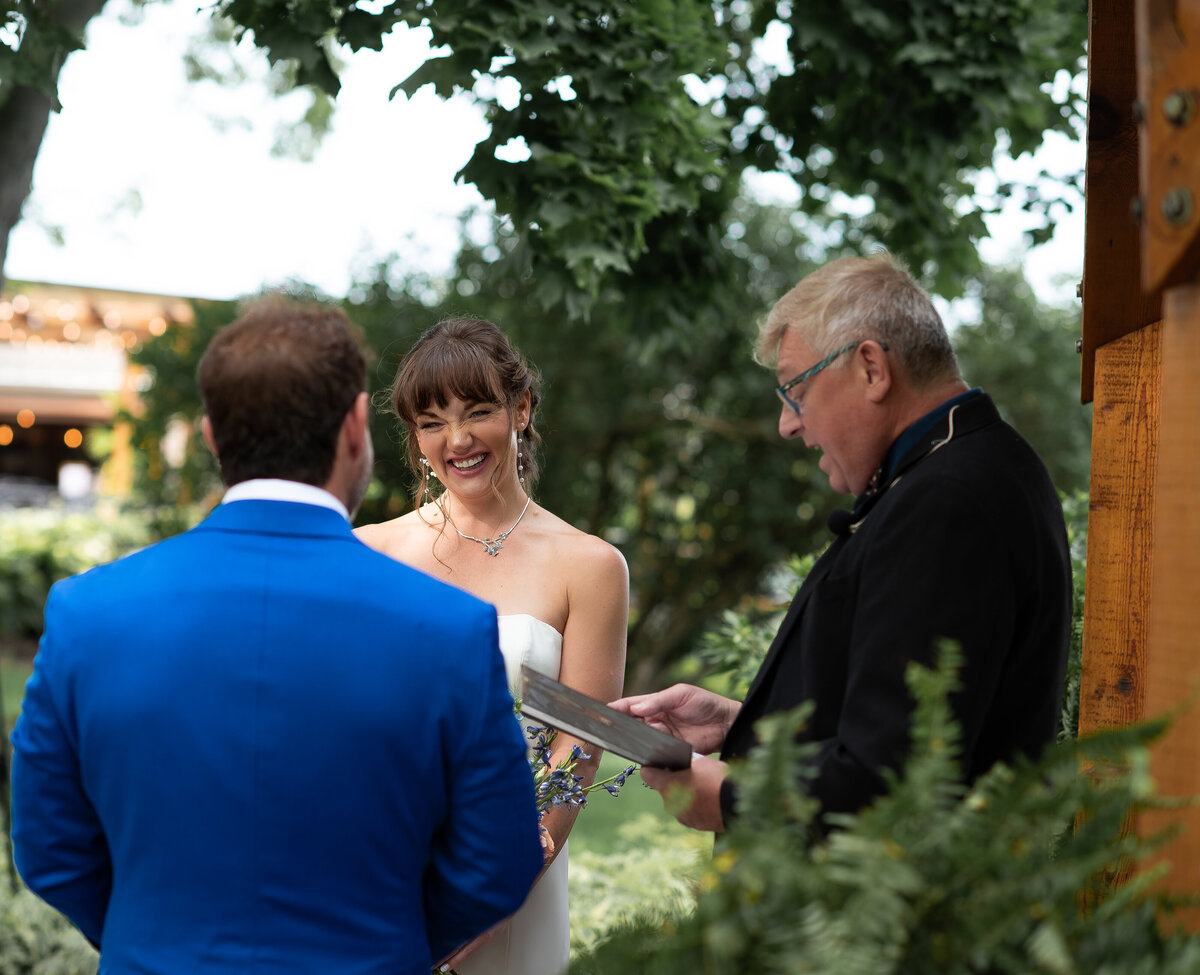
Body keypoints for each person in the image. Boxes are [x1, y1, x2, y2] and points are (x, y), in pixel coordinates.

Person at [10, 300, 542, 974]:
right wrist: (386, 942)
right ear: (356, 426)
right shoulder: (450, 629)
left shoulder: (87, 612)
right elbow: (499, 860)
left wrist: (152, 937)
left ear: (210, 436)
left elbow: (47, 844)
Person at [611, 252, 1072, 836]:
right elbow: (896, 718)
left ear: (872, 369)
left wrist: (732, 798)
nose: (788, 424)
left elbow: (890, 784)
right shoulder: (960, 469)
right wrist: (747, 723)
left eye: (795, 390)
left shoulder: (949, 501)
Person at [356, 317, 629, 975]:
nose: (457, 439)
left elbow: (579, 745)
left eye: (477, 411)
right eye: (432, 421)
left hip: (517, 884)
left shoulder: (589, 566)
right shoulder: (369, 552)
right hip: (385, 876)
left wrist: (494, 887)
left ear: (521, 408)